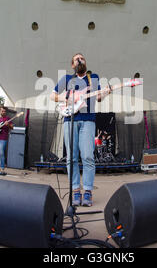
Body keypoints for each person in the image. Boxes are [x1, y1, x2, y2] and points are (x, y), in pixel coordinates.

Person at [50, 53, 111, 207]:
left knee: (88, 157)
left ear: (85, 63)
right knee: (71, 157)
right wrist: (69, 98)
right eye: (76, 59)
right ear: (72, 65)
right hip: (70, 120)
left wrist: (105, 92)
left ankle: (88, 191)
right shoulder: (67, 79)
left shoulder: (93, 77)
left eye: (82, 58)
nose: (79, 60)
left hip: (88, 121)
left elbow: (98, 98)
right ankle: (76, 190)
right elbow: (52, 96)